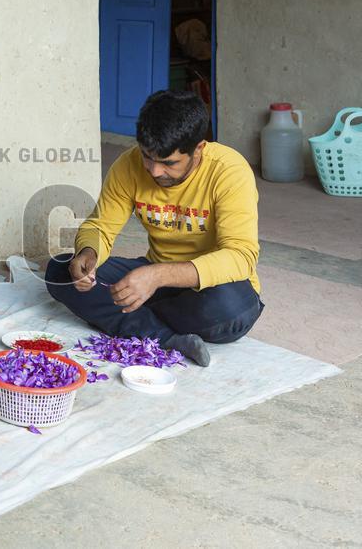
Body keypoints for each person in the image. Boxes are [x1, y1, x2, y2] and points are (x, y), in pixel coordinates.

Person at [45, 90, 263, 366]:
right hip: (156, 282)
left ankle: (136, 319)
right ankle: (167, 338)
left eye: (169, 163)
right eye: (148, 157)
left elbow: (240, 256)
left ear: (198, 149)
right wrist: (88, 253)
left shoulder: (229, 171)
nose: (155, 171)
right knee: (59, 271)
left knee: (232, 308)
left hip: (208, 291)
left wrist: (156, 276)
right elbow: (101, 226)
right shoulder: (129, 165)